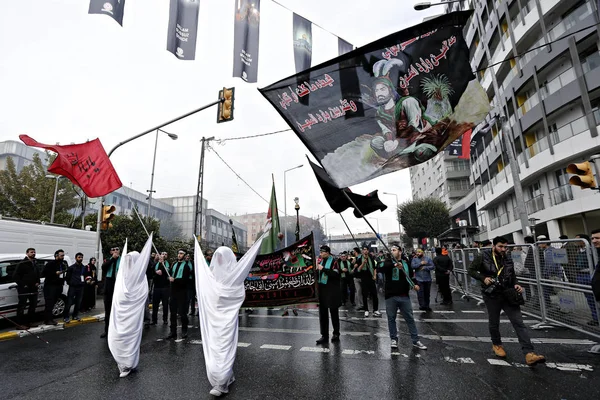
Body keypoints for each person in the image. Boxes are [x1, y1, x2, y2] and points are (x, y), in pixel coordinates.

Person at [195, 223, 270, 397]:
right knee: (214, 347)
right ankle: (225, 377)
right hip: (213, 320)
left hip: (227, 320)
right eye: (217, 257)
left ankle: (221, 381)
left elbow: (248, 261)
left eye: (222, 257)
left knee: (224, 347)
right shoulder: (210, 275)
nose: (219, 260)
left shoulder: (235, 274)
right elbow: (205, 290)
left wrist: (261, 237)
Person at [469, 236, 546, 366]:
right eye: (500, 246)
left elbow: (512, 274)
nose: (503, 249)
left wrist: (516, 284)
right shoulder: (483, 255)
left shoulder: (508, 257)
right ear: (494, 246)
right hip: (492, 294)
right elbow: (471, 270)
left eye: (505, 247)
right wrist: (483, 278)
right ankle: (497, 344)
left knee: (519, 323)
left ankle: (529, 353)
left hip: (509, 293)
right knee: (494, 321)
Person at [108, 237, 153, 378]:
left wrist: (129, 299)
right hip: (119, 316)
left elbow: (142, 295)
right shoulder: (122, 276)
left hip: (132, 319)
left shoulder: (141, 279)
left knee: (130, 340)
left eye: (130, 261)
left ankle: (127, 364)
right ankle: (121, 362)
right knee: (115, 339)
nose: (127, 263)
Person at [381, 246, 427, 350]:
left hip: (404, 295)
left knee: (410, 318)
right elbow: (383, 268)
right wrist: (395, 264)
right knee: (391, 318)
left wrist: (414, 284)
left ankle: (415, 340)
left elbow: (410, 276)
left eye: (394, 250)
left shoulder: (406, 262)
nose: (392, 251)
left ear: (400, 251)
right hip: (391, 295)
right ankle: (393, 339)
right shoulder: (389, 261)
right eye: (391, 250)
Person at [315, 245, 342, 344]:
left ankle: (336, 333)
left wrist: (323, 269)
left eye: (322, 252)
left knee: (334, 313)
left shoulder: (334, 261)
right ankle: (324, 335)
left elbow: (335, 275)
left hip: (332, 291)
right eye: (320, 252)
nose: (321, 254)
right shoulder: (320, 261)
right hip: (322, 291)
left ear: (327, 252)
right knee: (323, 314)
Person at [166, 249, 192, 340]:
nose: (179, 255)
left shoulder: (186, 267)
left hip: (182, 292)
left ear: (185, 256)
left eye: (181, 253)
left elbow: (185, 280)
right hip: (173, 291)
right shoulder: (174, 264)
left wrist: (175, 280)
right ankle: (172, 332)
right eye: (178, 253)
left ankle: (184, 330)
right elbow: (169, 274)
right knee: (172, 313)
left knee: (182, 313)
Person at [13, 248, 40, 328]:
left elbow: (37, 273)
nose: (33, 253)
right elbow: (15, 276)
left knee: (33, 305)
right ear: (27, 253)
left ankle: (30, 322)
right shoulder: (22, 263)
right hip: (24, 289)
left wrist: (38, 281)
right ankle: (19, 324)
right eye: (31, 252)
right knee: (22, 306)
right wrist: (23, 285)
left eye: (34, 252)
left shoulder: (35, 262)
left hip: (33, 288)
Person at [353, 246, 380, 317]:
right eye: (363, 250)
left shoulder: (371, 258)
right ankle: (366, 310)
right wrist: (363, 263)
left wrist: (374, 275)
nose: (364, 251)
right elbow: (358, 269)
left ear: (368, 251)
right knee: (364, 295)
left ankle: (375, 310)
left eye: (365, 250)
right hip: (364, 278)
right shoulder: (359, 259)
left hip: (371, 278)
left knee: (374, 294)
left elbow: (374, 268)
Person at [101, 246, 121, 338]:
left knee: (118, 311)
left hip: (119, 286)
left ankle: (118, 330)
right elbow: (104, 268)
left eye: (117, 250)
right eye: (113, 250)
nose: (115, 251)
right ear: (110, 252)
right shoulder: (108, 260)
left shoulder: (123, 261)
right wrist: (113, 259)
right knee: (108, 311)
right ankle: (107, 330)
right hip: (109, 287)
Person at [41, 249, 65, 325]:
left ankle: (49, 319)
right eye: (61, 255)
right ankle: (48, 319)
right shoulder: (50, 264)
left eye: (63, 255)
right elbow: (44, 273)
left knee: (54, 303)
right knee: (49, 303)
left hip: (58, 286)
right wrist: (55, 273)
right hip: (50, 286)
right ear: (56, 256)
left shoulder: (62, 264)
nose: (62, 257)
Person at [64, 252, 85, 323]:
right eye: (79, 257)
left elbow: (85, 276)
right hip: (73, 287)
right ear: (76, 258)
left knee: (78, 302)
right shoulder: (71, 267)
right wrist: (71, 283)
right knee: (69, 302)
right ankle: (66, 316)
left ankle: (75, 315)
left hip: (81, 287)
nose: (80, 258)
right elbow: (67, 277)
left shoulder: (83, 267)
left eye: (81, 257)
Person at [150, 252, 169, 326]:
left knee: (165, 304)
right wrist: (155, 272)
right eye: (162, 254)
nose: (163, 255)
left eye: (165, 254)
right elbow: (152, 272)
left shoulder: (168, 264)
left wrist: (161, 265)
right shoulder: (156, 264)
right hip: (157, 286)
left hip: (165, 287)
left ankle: (165, 319)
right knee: (155, 304)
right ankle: (154, 320)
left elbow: (167, 271)